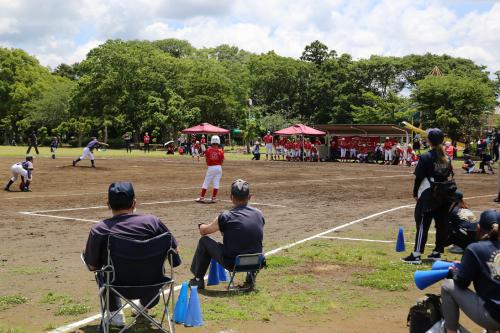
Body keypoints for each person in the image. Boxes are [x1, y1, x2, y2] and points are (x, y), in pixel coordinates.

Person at [82, 182, 181, 326]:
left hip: (117, 286)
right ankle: (143, 306)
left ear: (108, 205)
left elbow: (92, 266)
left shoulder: (100, 229)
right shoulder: (153, 222)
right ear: (134, 202)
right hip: (153, 285)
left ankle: (114, 314)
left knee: (101, 271)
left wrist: (86, 252)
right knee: (154, 268)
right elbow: (175, 256)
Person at [189, 179, 265, 289]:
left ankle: (198, 279)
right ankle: (250, 277)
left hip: (233, 263)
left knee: (204, 241)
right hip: (256, 261)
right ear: (249, 197)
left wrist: (201, 225)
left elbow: (204, 231)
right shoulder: (259, 213)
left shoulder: (226, 216)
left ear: (231, 197)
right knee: (252, 242)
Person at [441, 209, 500, 333]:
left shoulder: (474, 248)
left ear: (478, 227)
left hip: (494, 317)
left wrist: (454, 272)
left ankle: (451, 331)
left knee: (448, 286)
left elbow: (462, 282)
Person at [402, 128, 454, 264]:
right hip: (445, 194)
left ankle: (417, 254)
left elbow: (419, 178)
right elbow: (449, 175)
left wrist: (415, 193)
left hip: (429, 195)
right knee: (441, 225)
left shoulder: (426, 157)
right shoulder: (447, 158)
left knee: (423, 224)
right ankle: (437, 252)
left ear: (429, 141)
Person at [196, 135, 224, 203]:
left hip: (211, 167)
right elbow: (222, 160)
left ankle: (202, 197)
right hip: (219, 168)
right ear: (218, 142)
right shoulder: (221, 151)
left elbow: (206, 158)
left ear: (211, 141)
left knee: (206, 182)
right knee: (216, 182)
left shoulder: (208, 150)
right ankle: (214, 198)